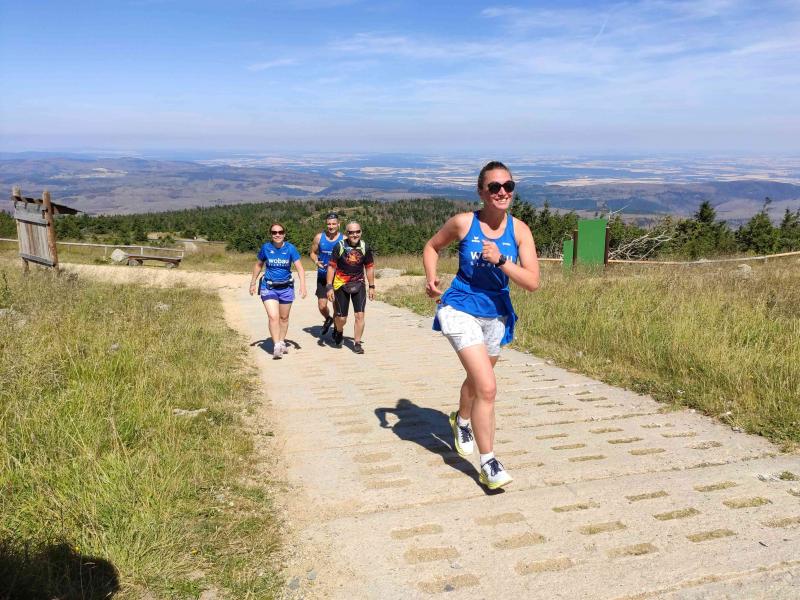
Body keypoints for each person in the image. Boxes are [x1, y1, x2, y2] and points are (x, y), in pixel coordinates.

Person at [423, 161, 540, 490]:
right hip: (459, 307)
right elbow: (432, 246)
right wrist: (431, 278)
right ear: (481, 192)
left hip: (497, 313)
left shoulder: (520, 231)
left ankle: (461, 419)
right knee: (487, 387)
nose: (502, 192)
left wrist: (501, 260)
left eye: (508, 186)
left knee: (478, 382)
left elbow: (532, 282)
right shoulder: (464, 223)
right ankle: (489, 463)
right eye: (494, 187)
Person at [249, 222, 307, 359]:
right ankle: (276, 346)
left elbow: (300, 268)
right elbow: (258, 265)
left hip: (286, 287)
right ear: (271, 234)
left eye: (280, 232)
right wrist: (253, 282)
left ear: (284, 234)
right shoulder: (266, 248)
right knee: (273, 316)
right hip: (268, 287)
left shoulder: (290, 248)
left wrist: (303, 286)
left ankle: (281, 341)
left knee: (284, 318)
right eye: (274, 232)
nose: (277, 235)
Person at [326, 221, 375, 354]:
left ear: (361, 232)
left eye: (357, 232)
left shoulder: (365, 247)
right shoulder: (340, 246)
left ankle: (357, 343)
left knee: (360, 315)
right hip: (341, 284)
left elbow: (369, 267)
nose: (355, 235)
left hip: (359, 283)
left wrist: (371, 286)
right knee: (342, 318)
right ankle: (339, 330)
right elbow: (331, 267)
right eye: (351, 232)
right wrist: (329, 286)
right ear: (347, 233)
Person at [309, 212, 343, 337]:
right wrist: (316, 261)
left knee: (336, 306)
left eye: (334, 224)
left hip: (338, 277)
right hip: (323, 276)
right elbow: (312, 253)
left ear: (339, 224)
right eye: (329, 224)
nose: (331, 226)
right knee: (322, 305)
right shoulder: (319, 237)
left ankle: (336, 329)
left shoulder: (344, 239)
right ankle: (328, 319)